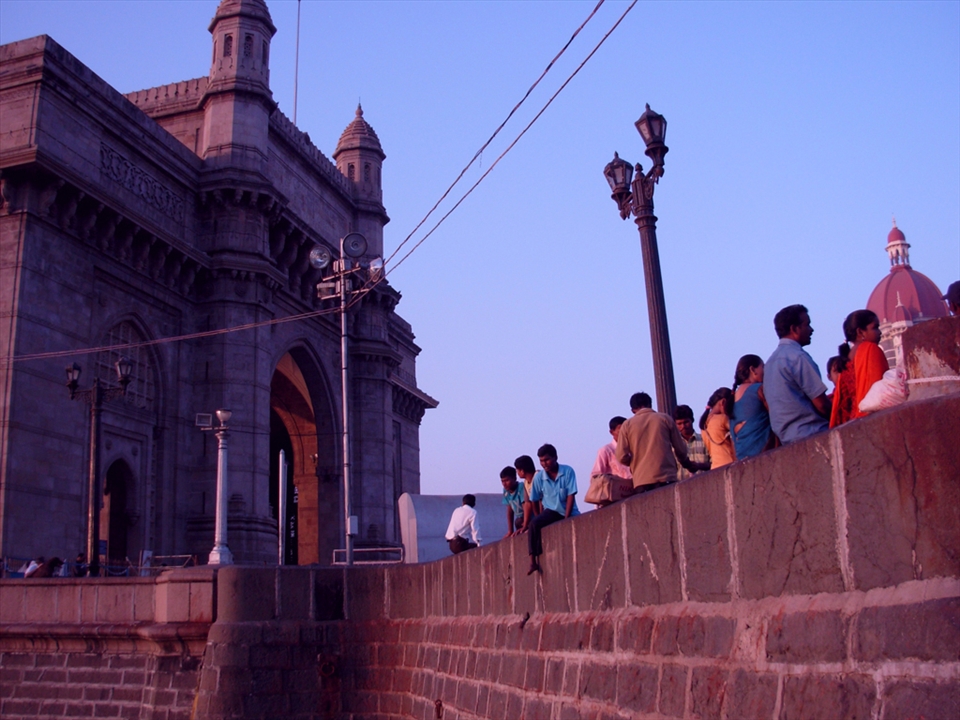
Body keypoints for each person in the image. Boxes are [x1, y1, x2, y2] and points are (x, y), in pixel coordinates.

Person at [763, 304, 830, 443]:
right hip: (813, 433)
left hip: (787, 440)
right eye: (807, 325)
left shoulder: (770, 364)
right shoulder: (797, 358)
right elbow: (821, 404)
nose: (811, 330)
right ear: (794, 329)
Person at [616, 392, 708, 494]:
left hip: (641, 481)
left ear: (633, 410)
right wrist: (687, 464)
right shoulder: (665, 419)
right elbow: (680, 450)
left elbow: (621, 456)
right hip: (666, 477)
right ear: (650, 404)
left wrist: (636, 462)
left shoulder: (627, 425)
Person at [526, 444, 579, 575]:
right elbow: (534, 499)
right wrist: (538, 515)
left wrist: (567, 518)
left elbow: (570, 495)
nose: (544, 464)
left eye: (547, 460)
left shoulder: (567, 471)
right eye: (541, 461)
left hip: (568, 510)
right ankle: (533, 561)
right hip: (551, 511)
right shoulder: (538, 478)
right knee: (533, 524)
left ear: (555, 457)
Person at [731, 355, 774, 460]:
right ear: (752, 370)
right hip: (763, 454)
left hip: (741, 459)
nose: (765, 371)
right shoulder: (759, 389)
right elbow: (777, 417)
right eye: (762, 367)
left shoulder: (732, 399)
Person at [588, 416, 634, 505]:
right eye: (620, 428)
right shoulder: (606, 450)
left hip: (633, 493)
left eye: (626, 428)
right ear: (612, 432)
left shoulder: (633, 449)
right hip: (614, 497)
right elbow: (595, 476)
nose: (624, 431)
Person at [700, 387, 736, 468]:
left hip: (715, 467)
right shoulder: (723, 418)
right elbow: (738, 433)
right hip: (729, 464)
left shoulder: (703, 424)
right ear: (723, 402)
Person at [674, 405, 709, 480]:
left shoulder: (704, 439)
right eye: (679, 424)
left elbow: (714, 463)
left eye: (686, 422)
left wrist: (699, 466)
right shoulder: (673, 446)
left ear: (692, 420)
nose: (683, 426)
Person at [514, 455, 541, 528]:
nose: (517, 473)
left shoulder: (538, 476)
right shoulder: (526, 482)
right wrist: (525, 525)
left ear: (522, 471)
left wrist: (539, 519)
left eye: (517, 470)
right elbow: (527, 503)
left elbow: (541, 499)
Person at [500, 466, 526, 537]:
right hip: (519, 520)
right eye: (502, 481)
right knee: (518, 522)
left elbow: (526, 505)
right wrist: (510, 531)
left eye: (507, 480)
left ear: (514, 478)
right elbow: (509, 510)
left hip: (528, 517)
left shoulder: (521, 487)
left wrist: (526, 524)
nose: (504, 484)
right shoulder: (506, 491)